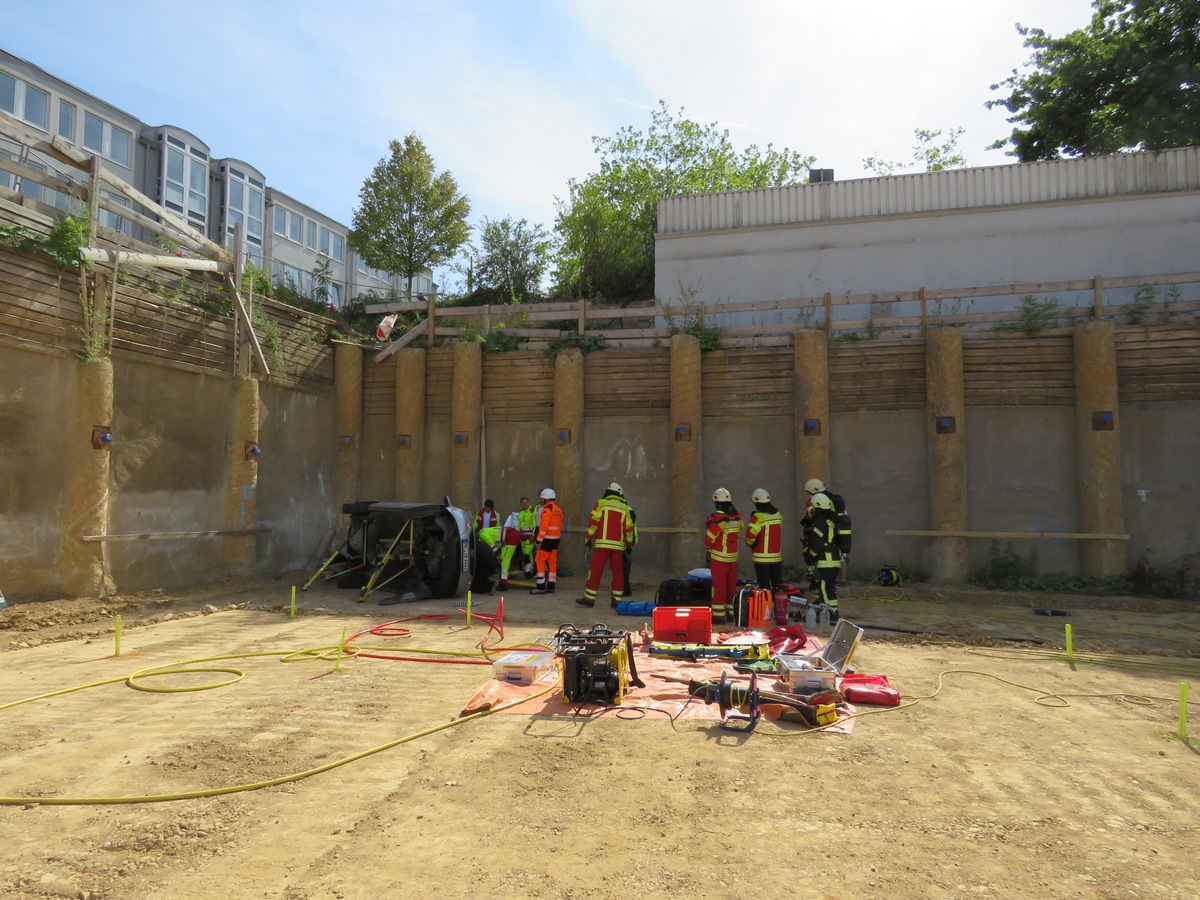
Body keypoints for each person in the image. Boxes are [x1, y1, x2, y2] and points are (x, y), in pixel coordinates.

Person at [578, 483, 635, 608]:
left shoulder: (601, 503)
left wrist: (588, 538)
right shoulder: (625, 507)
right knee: (618, 573)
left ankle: (589, 599)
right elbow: (629, 528)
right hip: (618, 547)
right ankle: (616, 601)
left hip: (602, 545)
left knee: (596, 571)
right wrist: (629, 544)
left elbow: (594, 522)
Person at [704, 487, 744, 624]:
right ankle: (731, 614)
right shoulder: (737, 519)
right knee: (731, 586)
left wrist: (709, 549)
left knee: (719, 586)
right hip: (732, 558)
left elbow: (708, 540)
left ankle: (718, 617)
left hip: (719, 558)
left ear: (717, 503)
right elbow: (738, 535)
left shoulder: (718, 520)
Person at [803, 492, 841, 623]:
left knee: (825, 588)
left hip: (825, 561)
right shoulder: (830, 521)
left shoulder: (819, 522)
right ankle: (832, 611)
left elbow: (816, 544)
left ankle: (830, 614)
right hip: (834, 560)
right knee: (829, 588)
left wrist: (810, 556)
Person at [746, 487, 784, 590]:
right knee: (778, 586)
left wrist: (752, 545)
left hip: (761, 558)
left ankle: (766, 605)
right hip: (776, 557)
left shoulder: (757, 517)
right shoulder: (778, 515)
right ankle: (779, 605)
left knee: (764, 587)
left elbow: (750, 537)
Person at [530, 487, 563, 594]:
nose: (541, 501)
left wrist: (538, 540)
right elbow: (559, 525)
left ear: (545, 499)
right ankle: (551, 585)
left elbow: (544, 526)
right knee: (552, 562)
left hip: (546, 540)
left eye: (542, 499)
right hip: (556, 540)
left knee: (539, 560)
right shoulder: (558, 509)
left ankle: (540, 586)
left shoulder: (546, 509)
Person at [496, 508, 523, 590]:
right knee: (505, 561)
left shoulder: (484, 533)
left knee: (504, 560)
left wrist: (497, 553)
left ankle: (503, 583)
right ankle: (503, 581)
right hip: (512, 538)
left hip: (510, 539)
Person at [470, 526, 500, 595]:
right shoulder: (478, 544)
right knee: (480, 576)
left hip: (486, 565)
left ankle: (489, 586)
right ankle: (486, 581)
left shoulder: (470, 547)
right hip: (492, 563)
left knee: (474, 587)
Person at [516, 495, 537, 576]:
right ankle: (530, 569)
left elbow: (535, 524)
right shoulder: (520, 512)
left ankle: (528, 572)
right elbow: (519, 524)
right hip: (522, 536)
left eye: (526, 502)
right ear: (521, 504)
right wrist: (517, 534)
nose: (525, 504)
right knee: (526, 553)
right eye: (523, 503)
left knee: (527, 553)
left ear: (529, 502)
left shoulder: (532, 510)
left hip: (529, 535)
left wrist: (533, 535)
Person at [621, 504, 639, 598]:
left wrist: (628, 544)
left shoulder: (624, 509)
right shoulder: (629, 509)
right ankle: (625, 590)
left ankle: (625, 590)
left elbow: (628, 528)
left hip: (625, 543)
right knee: (625, 568)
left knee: (624, 568)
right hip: (628, 543)